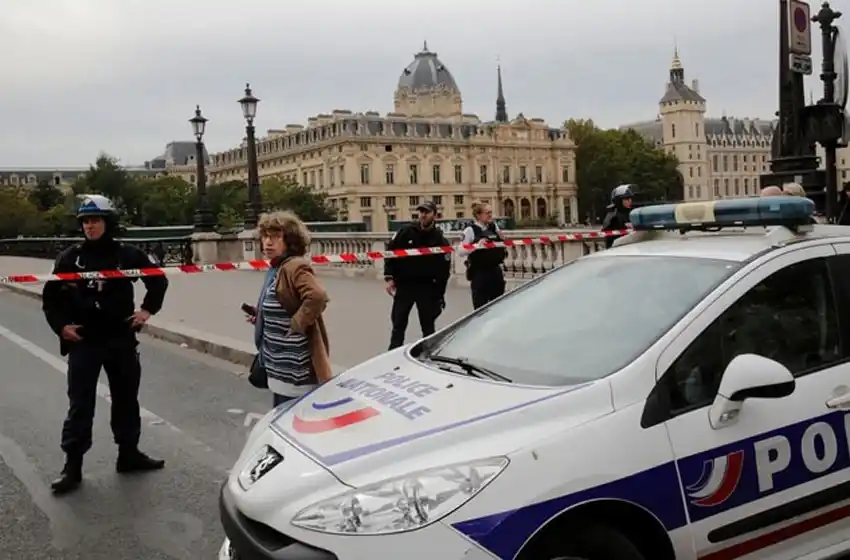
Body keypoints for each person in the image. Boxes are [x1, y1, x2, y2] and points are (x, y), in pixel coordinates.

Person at [41, 194, 169, 495]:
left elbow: (158, 279)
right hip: (85, 341)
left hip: (120, 338)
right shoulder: (70, 258)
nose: (90, 226)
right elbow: (51, 298)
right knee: (80, 404)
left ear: (108, 222)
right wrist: (61, 327)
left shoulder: (127, 255)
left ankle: (129, 454)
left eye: (96, 220)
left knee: (126, 399)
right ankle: (72, 466)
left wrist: (147, 310)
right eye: (85, 221)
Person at [246, 211, 333, 407]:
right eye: (265, 236)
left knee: (293, 416)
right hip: (279, 364)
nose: (268, 242)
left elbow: (317, 296)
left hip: (295, 368)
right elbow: (282, 303)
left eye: (276, 237)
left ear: (290, 241)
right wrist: (262, 316)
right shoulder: (277, 267)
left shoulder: (294, 266)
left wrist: (297, 323)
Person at [384, 201, 451, 350]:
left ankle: (429, 353)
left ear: (434, 215)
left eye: (427, 212)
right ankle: (392, 352)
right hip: (405, 285)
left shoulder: (440, 239)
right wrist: (389, 278)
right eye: (421, 212)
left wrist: (440, 295)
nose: (423, 215)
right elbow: (390, 253)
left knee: (428, 327)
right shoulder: (406, 232)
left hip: (426, 287)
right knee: (398, 325)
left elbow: (444, 271)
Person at [458, 201, 508, 309]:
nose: (490, 215)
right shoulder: (470, 230)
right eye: (487, 213)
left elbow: (502, 243)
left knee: (499, 307)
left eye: (491, 212)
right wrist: (476, 245)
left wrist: (502, 239)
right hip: (480, 273)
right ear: (478, 215)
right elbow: (460, 251)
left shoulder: (494, 227)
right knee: (481, 308)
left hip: (495, 271)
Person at [601, 184, 634, 248]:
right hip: (616, 248)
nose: (630, 201)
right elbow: (607, 234)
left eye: (630, 198)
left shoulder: (630, 213)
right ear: (619, 200)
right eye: (627, 198)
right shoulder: (612, 215)